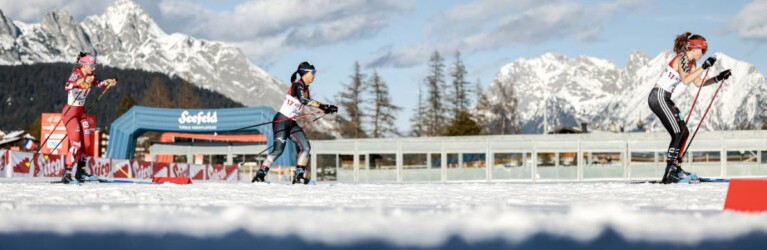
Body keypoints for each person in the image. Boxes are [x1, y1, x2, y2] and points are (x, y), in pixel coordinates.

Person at [648, 32, 731, 184]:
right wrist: (705, 66)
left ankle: (677, 168)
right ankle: (670, 172)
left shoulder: (692, 63)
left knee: (684, 132)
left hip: (665, 97)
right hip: (658, 96)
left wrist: (718, 77)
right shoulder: (682, 58)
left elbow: (698, 82)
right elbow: (686, 80)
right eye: (703, 50)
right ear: (695, 48)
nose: (703, 54)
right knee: (678, 132)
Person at [252, 62, 337, 184]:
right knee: (278, 151)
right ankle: (260, 175)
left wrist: (325, 108)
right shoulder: (298, 85)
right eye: (312, 73)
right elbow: (303, 100)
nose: (314, 75)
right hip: (281, 120)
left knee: (306, 147)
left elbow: (308, 101)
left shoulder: (306, 88)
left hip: (291, 122)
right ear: (305, 73)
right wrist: (324, 106)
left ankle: (298, 176)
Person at [60, 53, 117, 184]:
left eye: (95, 65)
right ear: (85, 65)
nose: (94, 68)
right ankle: (67, 173)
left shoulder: (91, 76)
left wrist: (107, 82)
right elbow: (67, 86)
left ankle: (81, 172)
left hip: (81, 112)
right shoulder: (77, 73)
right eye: (92, 65)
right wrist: (79, 82)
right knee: (76, 143)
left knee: (87, 144)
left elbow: (98, 83)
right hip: (70, 112)